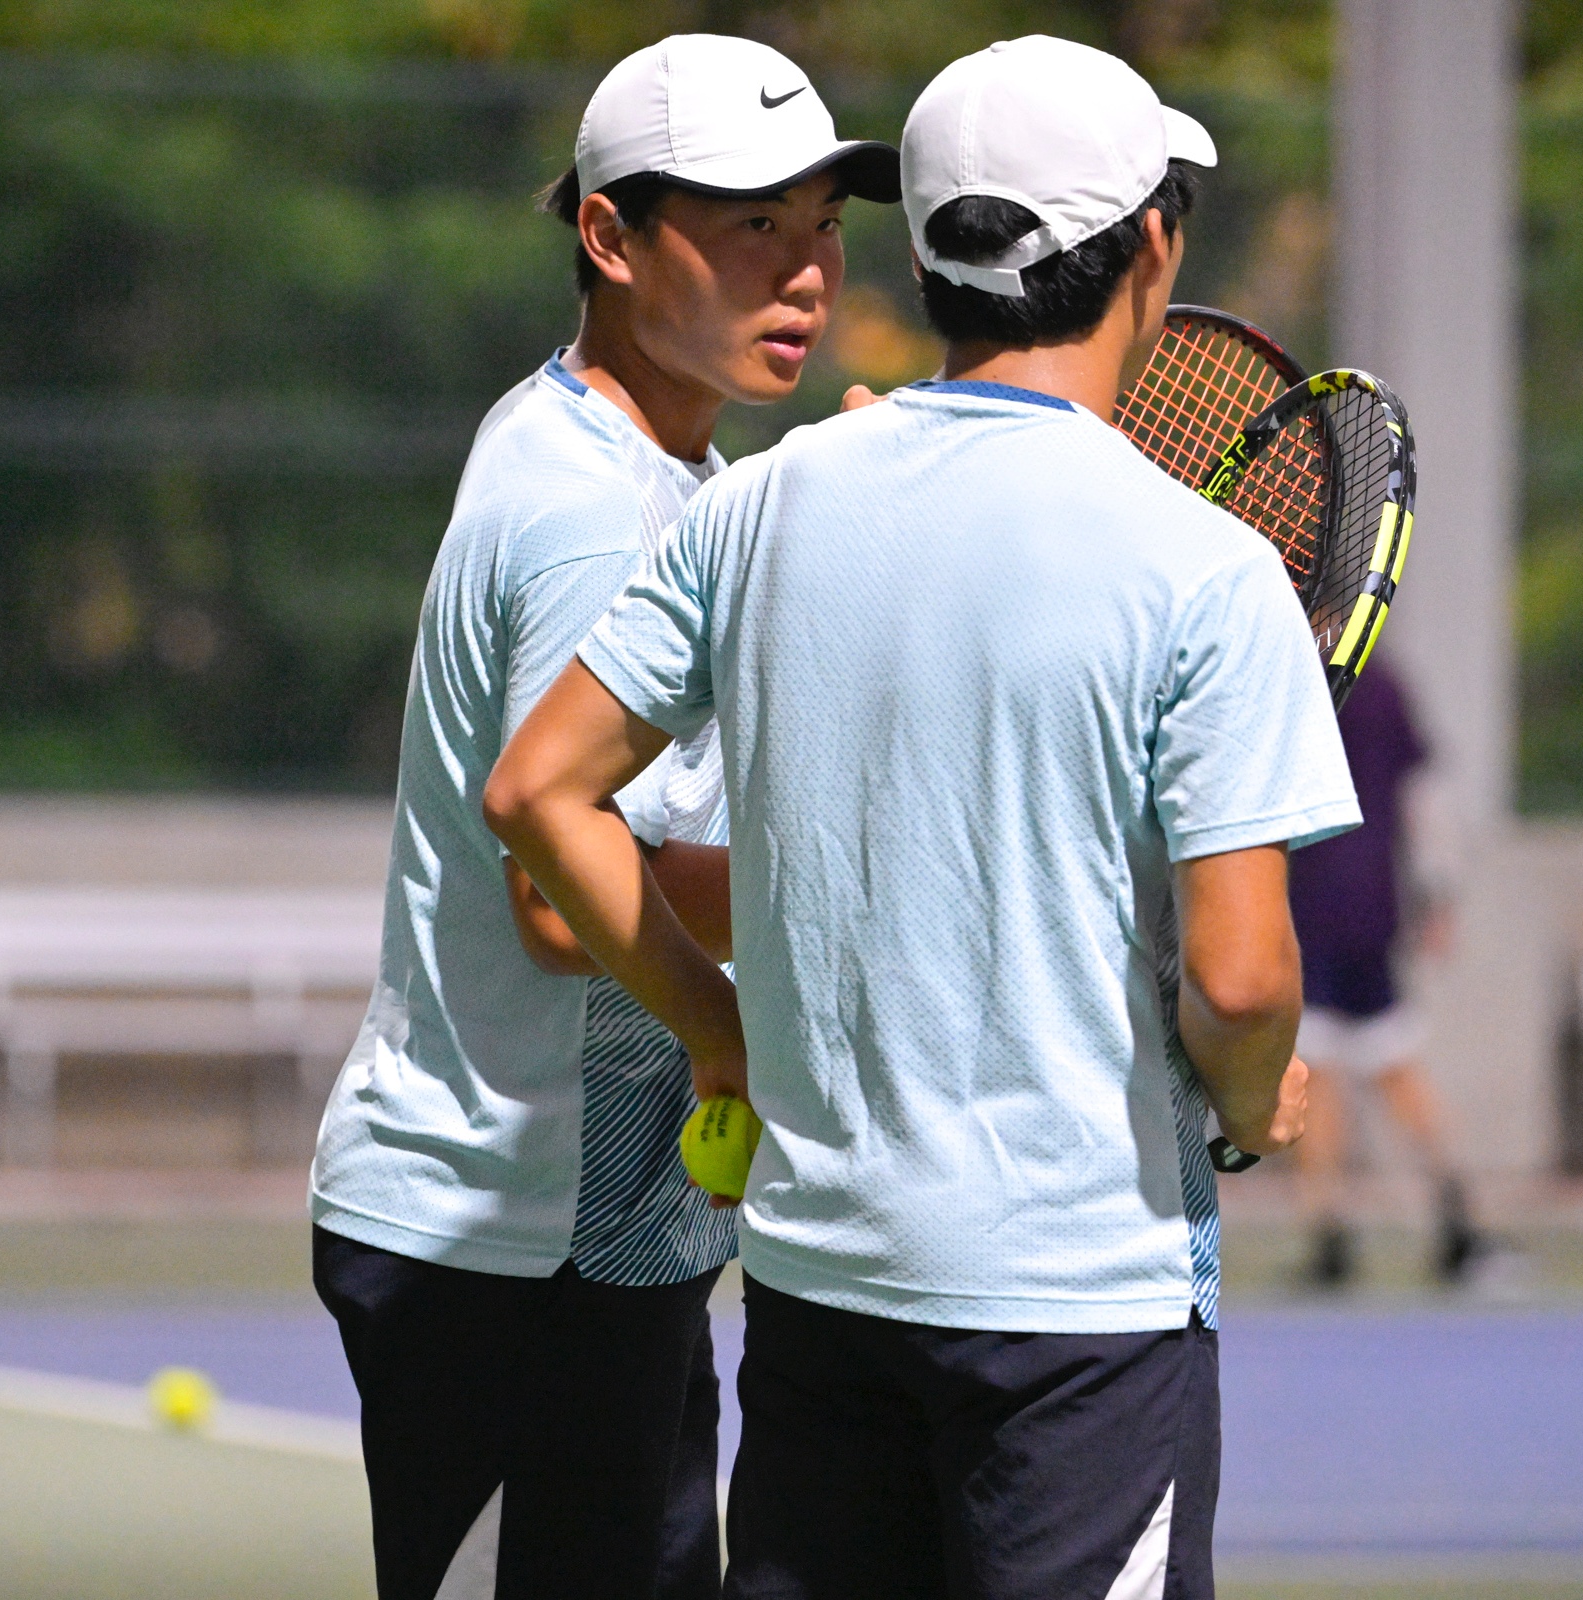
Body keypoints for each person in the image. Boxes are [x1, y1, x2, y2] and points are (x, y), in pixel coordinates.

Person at [484, 36, 1357, 1599]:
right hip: (1084, 1320)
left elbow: (537, 793)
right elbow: (1240, 987)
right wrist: (1252, 1098)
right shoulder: (1206, 572)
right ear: (1153, 246)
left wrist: (717, 1027)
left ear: (929, 253)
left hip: (818, 1297)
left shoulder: (761, 503)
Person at [306, 36, 897, 1600]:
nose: (805, 273)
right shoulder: (596, 511)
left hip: (590, 1240)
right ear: (610, 237)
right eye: (751, 227)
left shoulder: (624, 456)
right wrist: (787, 959)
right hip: (510, 1251)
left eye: (823, 226)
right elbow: (556, 895)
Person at [1285, 658, 1492, 1287]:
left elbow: (1420, 801)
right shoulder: (1376, 685)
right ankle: (1447, 1218)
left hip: (1317, 907)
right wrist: (1438, 897)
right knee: (1380, 1065)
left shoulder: (1299, 680)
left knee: (1329, 1072)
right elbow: (1425, 802)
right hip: (1363, 907)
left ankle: (1337, 1233)